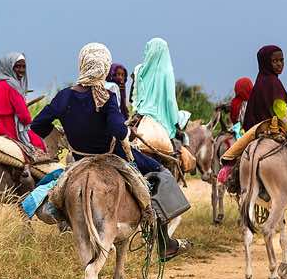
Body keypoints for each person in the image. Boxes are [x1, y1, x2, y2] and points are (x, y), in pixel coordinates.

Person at [31, 42, 189, 260]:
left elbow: (37, 124)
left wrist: (58, 135)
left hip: (78, 160)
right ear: (104, 67)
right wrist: (126, 132)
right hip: (112, 157)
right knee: (160, 172)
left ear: (83, 64)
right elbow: (117, 129)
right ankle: (164, 242)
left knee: (52, 185)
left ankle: (65, 218)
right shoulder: (105, 96)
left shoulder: (64, 96)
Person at [0, 52, 45, 151]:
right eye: (17, 67)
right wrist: (28, 122)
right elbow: (24, 116)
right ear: (8, 67)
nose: (21, 70)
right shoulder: (12, 86)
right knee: (39, 144)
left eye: (23, 67)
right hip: (8, 128)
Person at [132, 38, 184, 145]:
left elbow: (136, 97)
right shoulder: (167, 72)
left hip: (140, 116)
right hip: (161, 120)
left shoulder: (140, 70)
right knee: (179, 150)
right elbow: (170, 100)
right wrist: (176, 122)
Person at [242, 45, 287, 131]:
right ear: (266, 63)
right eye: (274, 61)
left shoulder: (259, 82)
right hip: (273, 128)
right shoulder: (273, 82)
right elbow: (281, 113)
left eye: (281, 60)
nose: (279, 64)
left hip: (255, 130)